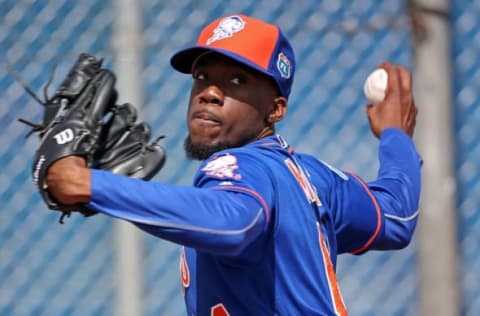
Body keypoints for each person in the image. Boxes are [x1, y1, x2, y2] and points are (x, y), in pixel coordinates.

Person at [46, 14, 421, 315]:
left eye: (237, 80)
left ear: (275, 110)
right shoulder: (315, 180)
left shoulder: (240, 165)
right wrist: (396, 137)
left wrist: (86, 183)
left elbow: (234, 223)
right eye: (203, 77)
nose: (209, 92)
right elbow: (396, 216)